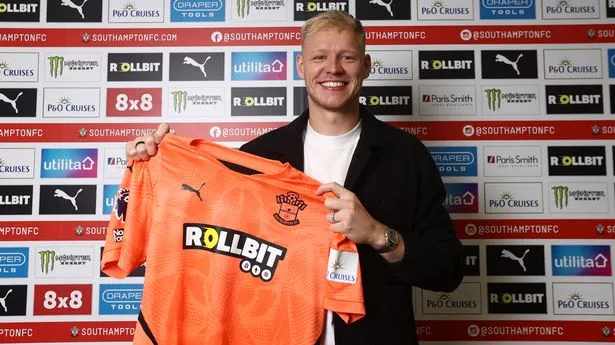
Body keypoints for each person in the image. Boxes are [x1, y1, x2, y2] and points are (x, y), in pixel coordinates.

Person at [126, 10, 463, 345]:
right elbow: (203, 231)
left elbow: (448, 271)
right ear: (302, 66)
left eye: (347, 57)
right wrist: (153, 166)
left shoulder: (407, 156)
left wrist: (378, 234)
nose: (333, 68)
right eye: (320, 57)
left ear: (366, 65)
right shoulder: (257, 156)